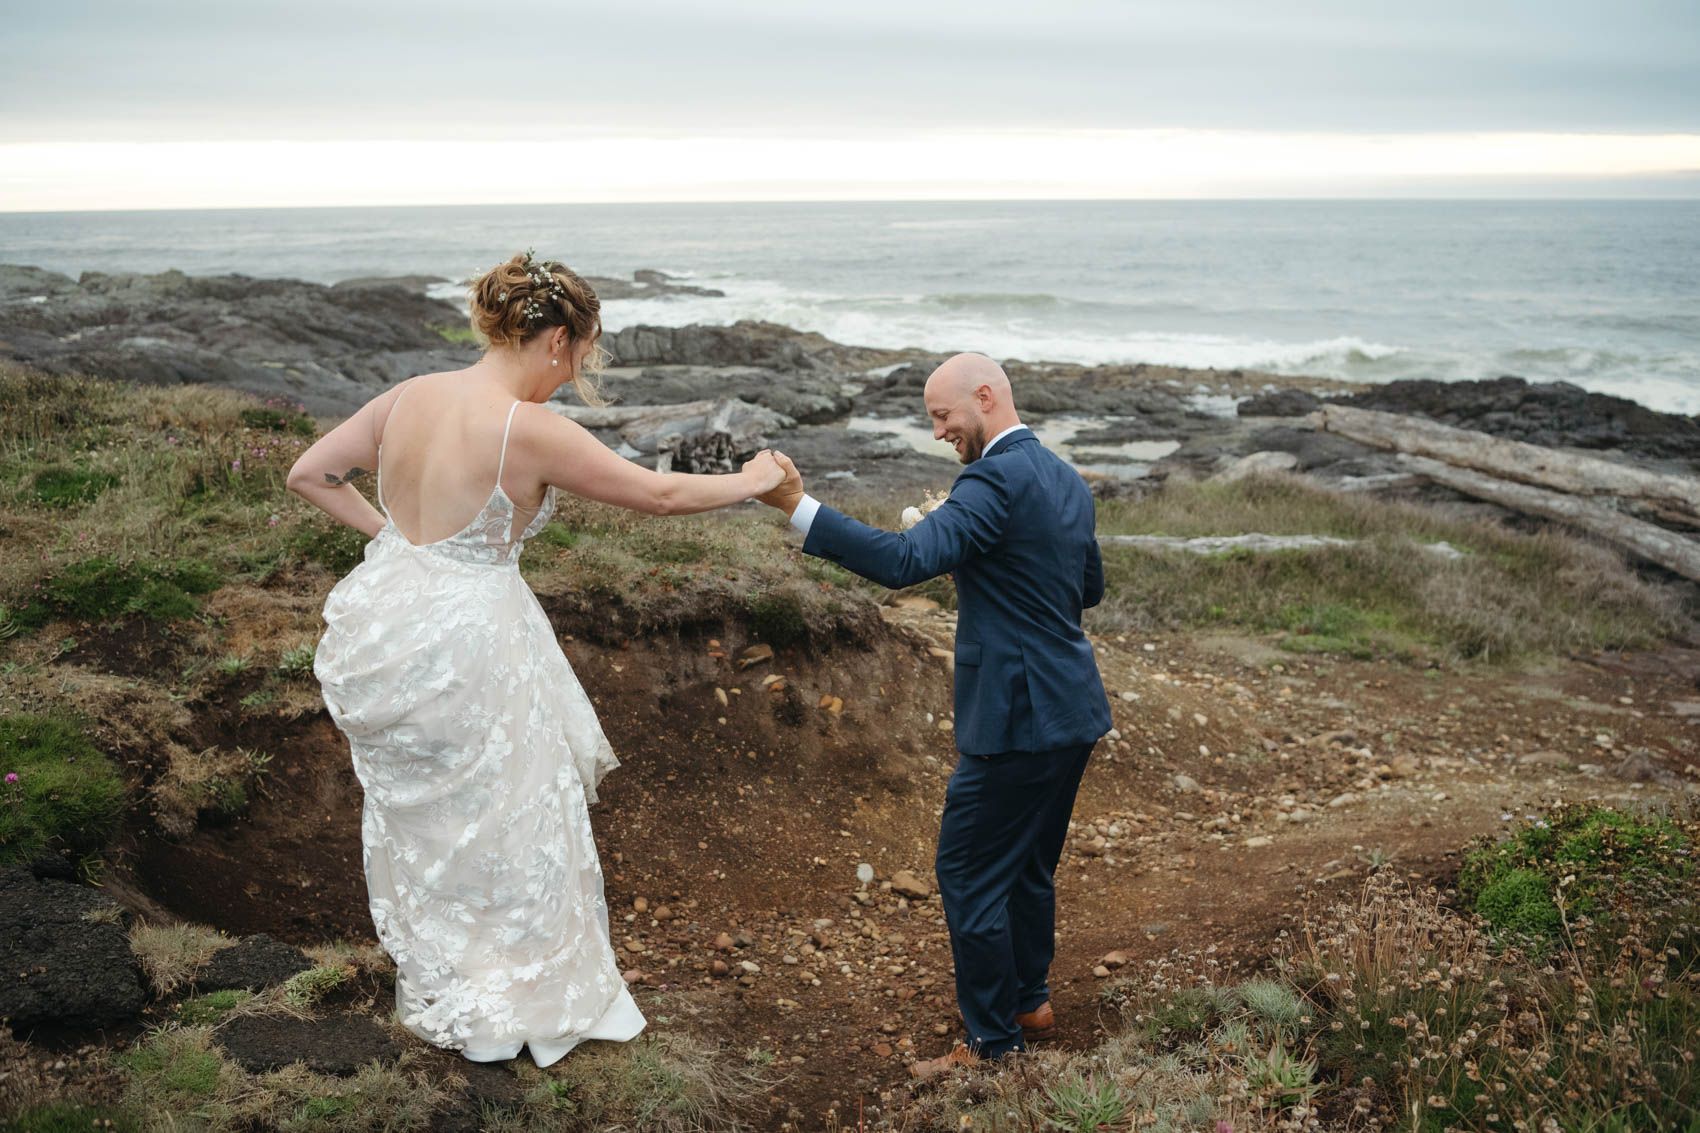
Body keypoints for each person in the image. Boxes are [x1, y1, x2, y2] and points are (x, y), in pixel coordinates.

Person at [287, 252, 784, 1067]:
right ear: (554, 339)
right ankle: (516, 992)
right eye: (580, 356)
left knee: (435, 816)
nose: (572, 374)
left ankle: (448, 977)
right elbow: (656, 495)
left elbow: (311, 473)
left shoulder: (407, 397)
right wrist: (753, 478)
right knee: (511, 807)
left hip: (393, 620)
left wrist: (401, 545)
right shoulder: (530, 427)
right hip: (473, 637)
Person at [755, 353, 1111, 1079]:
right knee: (1028, 865)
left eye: (942, 416)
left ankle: (992, 1046)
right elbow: (1089, 586)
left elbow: (902, 561)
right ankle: (1029, 1003)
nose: (940, 431)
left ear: (985, 397)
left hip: (1017, 717)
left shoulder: (993, 478)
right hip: (1073, 707)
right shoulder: (1067, 479)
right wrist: (983, 551)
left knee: (970, 871)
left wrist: (798, 505)